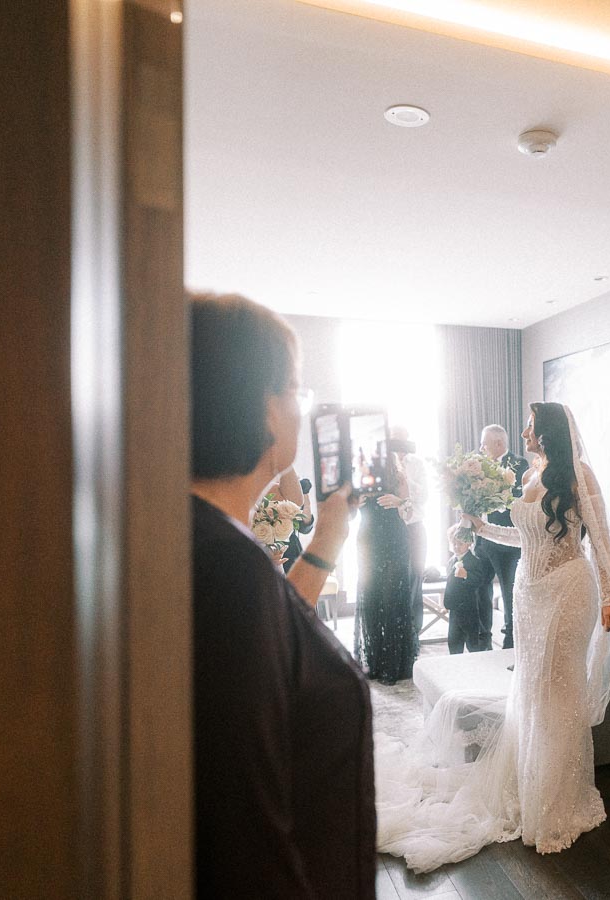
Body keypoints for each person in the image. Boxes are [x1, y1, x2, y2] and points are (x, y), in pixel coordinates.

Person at [375, 402, 610, 872]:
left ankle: (558, 801)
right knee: (530, 689)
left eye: (530, 426)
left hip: (569, 589)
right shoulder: (533, 474)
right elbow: (524, 537)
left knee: (558, 689)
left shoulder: (579, 475)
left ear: (546, 430)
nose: (524, 432)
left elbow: (602, 538)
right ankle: (528, 787)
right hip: (529, 593)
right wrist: (481, 527)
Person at [189, 291, 374, 898]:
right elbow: (245, 829)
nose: (300, 408)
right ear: (260, 406)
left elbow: (277, 638)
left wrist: (327, 538)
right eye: (293, 389)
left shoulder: (208, 539)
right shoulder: (225, 569)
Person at [354, 452, 416, 685]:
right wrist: (355, 504)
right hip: (367, 543)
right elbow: (347, 514)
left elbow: (411, 513)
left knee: (391, 601)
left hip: (394, 542)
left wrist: (401, 502)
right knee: (370, 600)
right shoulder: (359, 479)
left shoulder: (398, 478)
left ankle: (393, 665)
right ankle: (374, 661)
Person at [472, 423, 529, 649]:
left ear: (498, 443)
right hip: (483, 540)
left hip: (506, 542)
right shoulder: (478, 466)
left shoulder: (519, 465)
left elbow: (516, 502)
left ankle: (510, 641)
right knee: (480, 589)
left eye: (484, 443)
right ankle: (482, 639)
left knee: (509, 593)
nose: (480, 448)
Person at [376, 425, 431, 643]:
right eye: (393, 437)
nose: (397, 441)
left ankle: (413, 634)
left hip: (415, 527)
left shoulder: (416, 463)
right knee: (390, 582)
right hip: (389, 529)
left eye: (401, 437)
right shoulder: (380, 463)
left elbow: (424, 495)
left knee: (415, 579)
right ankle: (391, 635)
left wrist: (404, 480)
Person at [442, 524, 489, 654]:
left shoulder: (474, 561)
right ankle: (455, 662)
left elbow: (480, 580)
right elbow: (450, 584)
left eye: (460, 544)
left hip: (469, 609)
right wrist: (447, 602)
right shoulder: (451, 561)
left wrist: (466, 575)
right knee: (454, 640)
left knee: (472, 640)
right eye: (454, 544)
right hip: (454, 608)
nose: (456, 547)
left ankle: (474, 661)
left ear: (469, 543)